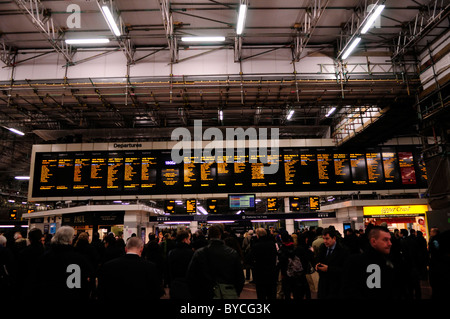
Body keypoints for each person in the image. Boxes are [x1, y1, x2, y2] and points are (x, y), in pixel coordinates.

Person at [341, 226, 406, 299]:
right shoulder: (355, 262)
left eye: (389, 240)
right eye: (385, 240)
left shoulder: (392, 260)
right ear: (373, 241)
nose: (390, 243)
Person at [186, 225, 245, 299]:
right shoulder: (232, 253)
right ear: (220, 235)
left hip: (205, 292)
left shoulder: (199, 253)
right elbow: (240, 277)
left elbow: (191, 276)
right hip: (228, 292)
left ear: (209, 235)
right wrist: (235, 292)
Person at [36, 226, 94, 300]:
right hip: (71, 297)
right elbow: (86, 281)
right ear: (70, 240)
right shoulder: (78, 259)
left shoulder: (45, 257)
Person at [97, 236, 163, 300]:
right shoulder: (150, 267)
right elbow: (156, 291)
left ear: (125, 249)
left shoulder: (109, 265)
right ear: (141, 249)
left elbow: (101, 290)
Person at [315, 227, 349, 299]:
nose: (324, 241)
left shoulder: (343, 250)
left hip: (336, 286)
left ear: (334, 238)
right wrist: (317, 266)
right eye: (323, 238)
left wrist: (328, 269)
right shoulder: (322, 247)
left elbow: (345, 270)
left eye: (327, 238)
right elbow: (318, 260)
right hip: (323, 285)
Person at [248, 228, 278, 300]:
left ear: (257, 235)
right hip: (271, 273)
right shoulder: (272, 244)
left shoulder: (255, 246)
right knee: (271, 294)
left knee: (261, 295)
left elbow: (250, 258)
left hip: (260, 273)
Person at [16, 228, 45, 298]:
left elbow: (19, 271)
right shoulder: (46, 251)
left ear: (29, 238)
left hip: (27, 284)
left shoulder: (23, 252)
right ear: (41, 238)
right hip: (43, 285)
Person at [167, 229, 194, 299]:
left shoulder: (171, 253)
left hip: (174, 284)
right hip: (188, 285)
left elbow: (168, 269)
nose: (190, 241)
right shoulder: (191, 253)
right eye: (189, 239)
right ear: (184, 240)